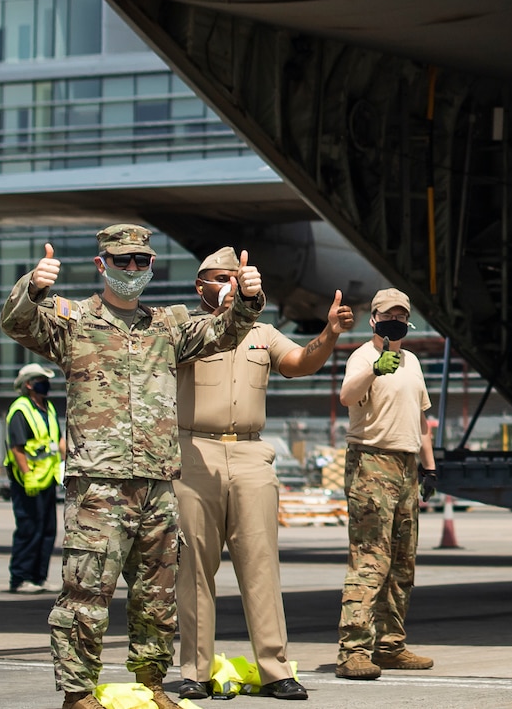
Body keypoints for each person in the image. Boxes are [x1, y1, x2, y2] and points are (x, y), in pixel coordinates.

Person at [1, 224, 264, 709]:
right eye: (123, 261)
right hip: (98, 484)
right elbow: (19, 324)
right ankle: (78, 692)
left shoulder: (166, 325)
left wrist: (247, 300)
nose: (133, 269)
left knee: (157, 595)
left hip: (158, 483)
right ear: (103, 265)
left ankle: (151, 682)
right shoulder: (74, 320)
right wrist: (34, 287)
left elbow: (223, 332)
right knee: (86, 592)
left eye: (142, 261)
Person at [175, 247, 355, 703]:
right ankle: (195, 670)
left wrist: (329, 334)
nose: (230, 285)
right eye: (220, 278)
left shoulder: (262, 333)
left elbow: (299, 363)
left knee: (261, 568)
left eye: (236, 277)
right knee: (194, 569)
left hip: (251, 455)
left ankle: (274, 669)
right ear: (201, 286)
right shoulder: (183, 330)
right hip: (194, 451)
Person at [334, 288, 438, 681]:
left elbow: (423, 419)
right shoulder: (363, 356)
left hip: (407, 465)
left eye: (401, 315)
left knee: (402, 562)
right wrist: (375, 368)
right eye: (387, 315)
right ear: (373, 319)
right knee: (370, 559)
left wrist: (429, 469)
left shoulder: (411, 361)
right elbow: (347, 396)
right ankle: (354, 649)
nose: (394, 320)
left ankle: (390, 645)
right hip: (371, 461)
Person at [6, 362, 63, 593]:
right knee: (29, 528)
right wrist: (27, 475)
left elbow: (58, 440)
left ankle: (39, 577)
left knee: (48, 529)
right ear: (28, 384)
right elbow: (17, 448)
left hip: (47, 478)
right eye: (40, 380)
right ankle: (20, 578)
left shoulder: (48, 408)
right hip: (27, 481)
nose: (45, 384)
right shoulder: (21, 409)